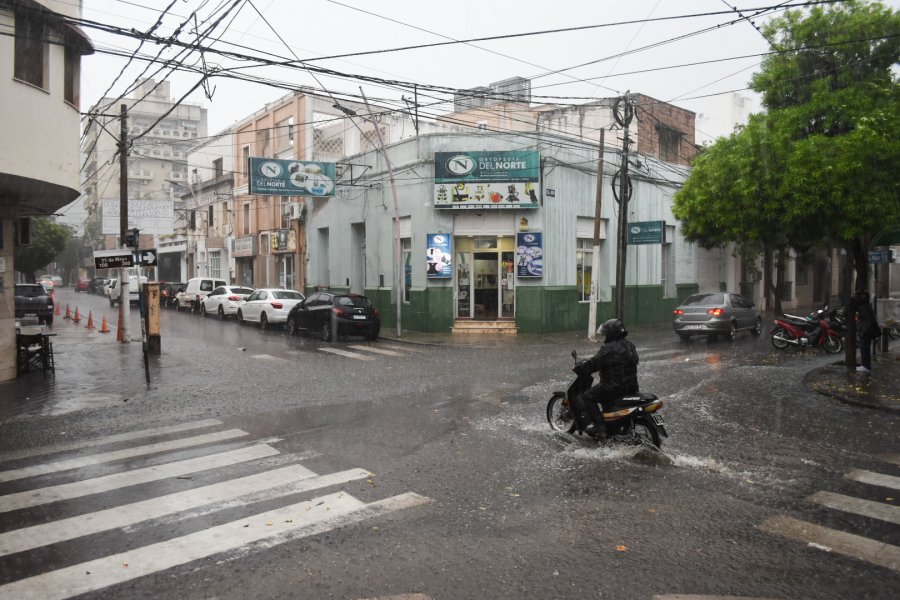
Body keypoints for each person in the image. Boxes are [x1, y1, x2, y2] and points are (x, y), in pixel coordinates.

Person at [573, 318, 640, 438]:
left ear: (611, 333)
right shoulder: (630, 345)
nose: (604, 336)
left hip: (612, 387)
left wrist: (581, 368)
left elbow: (594, 364)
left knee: (588, 397)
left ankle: (600, 427)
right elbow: (635, 361)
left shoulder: (607, 349)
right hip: (631, 387)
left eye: (606, 333)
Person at [849, 289, 879, 373]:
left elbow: (868, 321)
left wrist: (863, 331)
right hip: (865, 330)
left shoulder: (864, 308)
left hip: (865, 331)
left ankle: (866, 366)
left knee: (865, 348)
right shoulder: (865, 306)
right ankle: (865, 365)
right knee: (864, 348)